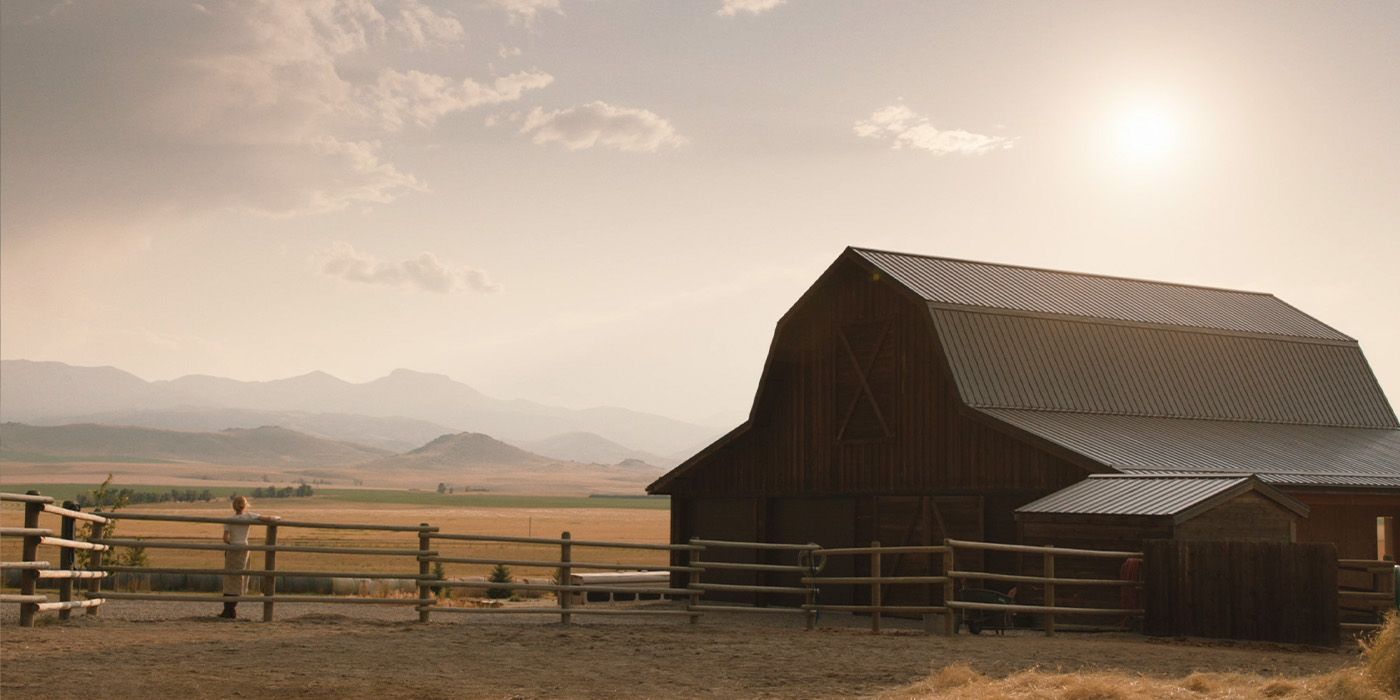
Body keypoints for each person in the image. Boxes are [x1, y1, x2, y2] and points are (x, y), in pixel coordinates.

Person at [219, 495, 280, 619]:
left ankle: (228, 608)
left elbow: (225, 538)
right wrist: (277, 517)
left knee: (230, 577)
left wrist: (232, 544)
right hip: (243, 549)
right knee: (241, 577)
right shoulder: (249, 516)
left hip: (232, 549)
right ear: (245, 505)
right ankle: (233, 607)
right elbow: (268, 518)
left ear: (233, 506)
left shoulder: (229, 520)